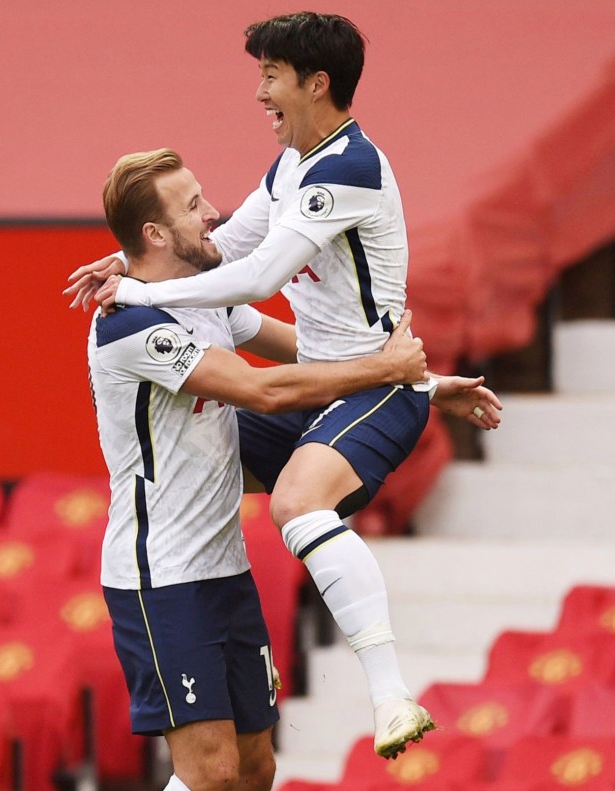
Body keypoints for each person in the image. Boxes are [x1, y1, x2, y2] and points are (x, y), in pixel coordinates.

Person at [70, 13, 504, 760]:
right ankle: (388, 690)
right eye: (190, 203)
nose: (260, 92)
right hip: (175, 559)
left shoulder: (347, 167)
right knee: (234, 772)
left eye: (270, 75)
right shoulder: (286, 177)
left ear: (316, 83)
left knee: (298, 502)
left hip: (358, 401)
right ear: (153, 234)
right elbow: (232, 268)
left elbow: (257, 278)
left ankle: (390, 691)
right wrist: (132, 271)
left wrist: (138, 288)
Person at [92, 147, 437, 791]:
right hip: (160, 578)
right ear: (155, 234)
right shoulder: (127, 323)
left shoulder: (205, 297)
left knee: (255, 770)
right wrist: (386, 371)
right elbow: (266, 392)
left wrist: (427, 384)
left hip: (225, 570)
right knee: (212, 773)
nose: (213, 214)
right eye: (194, 206)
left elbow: (315, 352)